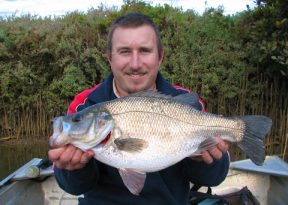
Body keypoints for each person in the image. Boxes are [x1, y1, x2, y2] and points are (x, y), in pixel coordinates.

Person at [48, 12, 230, 205]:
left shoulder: (183, 102)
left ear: (160, 57)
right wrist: (74, 168)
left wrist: (206, 159)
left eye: (144, 50)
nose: (135, 64)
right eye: (124, 51)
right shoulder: (86, 104)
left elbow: (213, 179)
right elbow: (74, 187)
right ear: (110, 57)